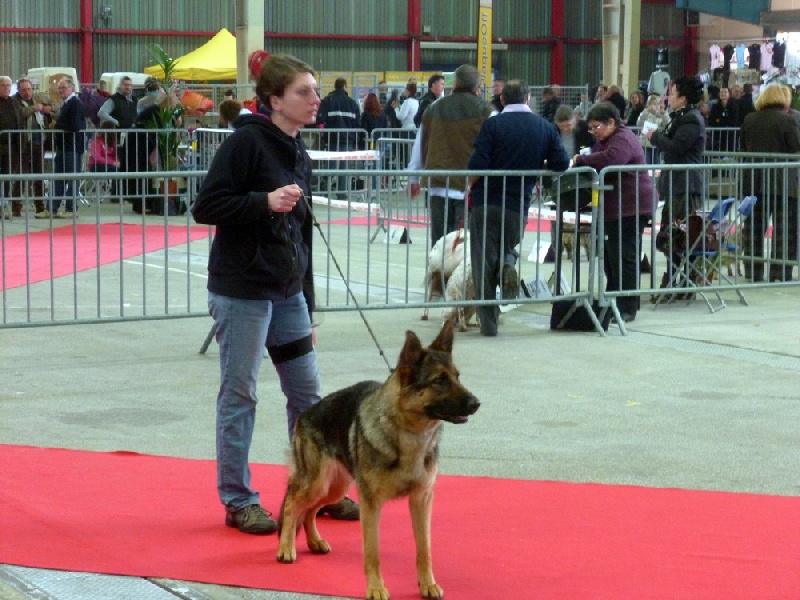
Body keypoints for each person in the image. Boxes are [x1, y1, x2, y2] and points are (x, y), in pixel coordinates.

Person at [191, 53, 358, 536]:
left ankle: (315, 491)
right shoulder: (245, 143)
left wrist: (308, 303)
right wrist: (262, 202)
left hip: (287, 295)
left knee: (308, 395)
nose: (315, 100)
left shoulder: (297, 149)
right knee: (240, 393)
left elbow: (300, 233)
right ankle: (238, 499)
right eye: (304, 91)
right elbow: (206, 205)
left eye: (315, 90)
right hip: (243, 291)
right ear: (274, 100)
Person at [467, 79, 569, 336]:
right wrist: (537, 166)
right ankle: (508, 263)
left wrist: (468, 187)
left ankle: (489, 324)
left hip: (487, 201)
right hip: (517, 204)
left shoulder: (492, 125)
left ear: (502, 100)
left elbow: (477, 165)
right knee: (507, 246)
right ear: (528, 98)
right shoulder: (544, 127)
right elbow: (561, 163)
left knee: (482, 263)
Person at [572, 102, 654, 323]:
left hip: (631, 207)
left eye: (596, 126)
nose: (594, 132)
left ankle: (628, 306)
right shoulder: (605, 141)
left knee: (625, 257)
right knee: (611, 259)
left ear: (611, 122)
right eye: (590, 128)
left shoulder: (623, 139)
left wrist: (581, 160)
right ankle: (616, 300)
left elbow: (612, 160)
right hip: (615, 208)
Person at [409, 64, 492, 246]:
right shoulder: (487, 111)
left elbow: (420, 144)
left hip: (438, 184)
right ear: (476, 86)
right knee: (463, 247)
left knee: (439, 246)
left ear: (454, 83)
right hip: (470, 188)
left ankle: (437, 275)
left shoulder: (433, 108)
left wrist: (414, 178)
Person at [642, 75, 706, 296]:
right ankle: (678, 282)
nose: (669, 96)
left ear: (683, 97)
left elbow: (676, 147)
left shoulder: (691, 119)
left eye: (673, 92)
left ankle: (679, 283)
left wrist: (655, 136)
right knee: (673, 236)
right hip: (676, 184)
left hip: (685, 185)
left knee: (679, 237)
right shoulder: (681, 117)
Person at [740, 82, 800, 282]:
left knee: (754, 229)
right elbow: (796, 147)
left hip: (754, 181)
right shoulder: (787, 121)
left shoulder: (749, 119)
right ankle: (780, 273)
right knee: (784, 231)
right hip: (783, 182)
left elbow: (744, 148)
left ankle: (753, 272)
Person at [43, 77, 85, 219]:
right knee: (58, 178)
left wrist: (57, 126)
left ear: (71, 88)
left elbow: (76, 126)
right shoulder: (66, 104)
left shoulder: (76, 104)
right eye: (59, 88)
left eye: (63, 87)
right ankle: (52, 208)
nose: (60, 90)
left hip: (72, 147)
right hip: (63, 147)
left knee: (72, 179)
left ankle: (71, 209)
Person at [316, 77, 361, 199]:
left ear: (335, 86)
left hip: (331, 138)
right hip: (347, 139)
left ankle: (324, 191)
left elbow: (319, 118)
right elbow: (357, 124)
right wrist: (356, 141)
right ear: (345, 86)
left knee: (330, 164)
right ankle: (342, 193)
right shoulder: (352, 103)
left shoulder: (327, 100)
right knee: (344, 166)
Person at [14, 79, 48, 216]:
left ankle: (40, 207)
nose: (27, 92)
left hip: (39, 143)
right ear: (19, 90)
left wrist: (48, 108)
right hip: (23, 144)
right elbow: (19, 114)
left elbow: (55, 105)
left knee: (39, 176)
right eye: (23, 90)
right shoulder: (14, 101)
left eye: (29, 89)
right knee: (20, 177)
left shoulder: (37, 98)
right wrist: (33, 109)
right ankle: (16, 207)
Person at [0, 75, 26, 219]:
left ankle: (3, 205)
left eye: (8, 86)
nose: (6, 88)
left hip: (12, 148)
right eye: (3, 85)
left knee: (7, 178)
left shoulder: (15, 103)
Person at [360, 92, 389, 194]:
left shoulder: (365, 115)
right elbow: (386, 129)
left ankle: (370, 189)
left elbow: (362, 131)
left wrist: (359, 145)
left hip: (368, 144)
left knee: (369, 167)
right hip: (380, 144)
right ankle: (376, 189)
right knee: (378, 167)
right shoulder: (382, 115)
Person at [636, 94, 670, 164]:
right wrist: (646, 112)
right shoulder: (645, 113)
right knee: (645, 164)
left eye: (657, 104)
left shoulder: (662, 115)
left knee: (656, 166)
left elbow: (668, 125)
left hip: (657, 145)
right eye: (653, 104)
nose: (655, 106)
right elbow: (639, 123)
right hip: (645, 144)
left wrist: (663, 113)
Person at [707, 87, 738, 152]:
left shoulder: (734, 107)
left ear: (729, 94)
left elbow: (735, 120)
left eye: (725, 92)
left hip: (730, 135)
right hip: (718, 135)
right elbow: (711, 120)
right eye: (721, 92)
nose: (723, 94)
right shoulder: (715, 107)